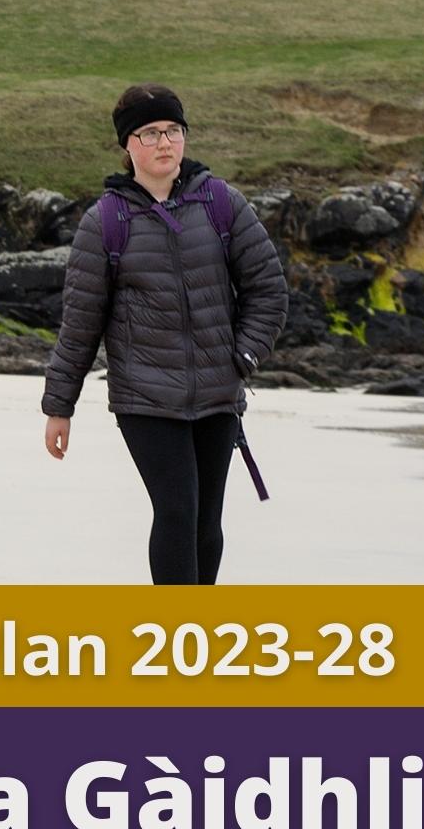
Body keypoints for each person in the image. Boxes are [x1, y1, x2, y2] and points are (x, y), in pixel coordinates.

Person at [41, 84, 288, 584]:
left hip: (219, 392)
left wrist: (244, 355)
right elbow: (81, 323)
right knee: (176, 511)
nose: (164, 143)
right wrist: (58, 406)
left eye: (173, 131)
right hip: (145, 399)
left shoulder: (222, 204)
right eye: (149, 133)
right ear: (127, 145)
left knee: (206, 522)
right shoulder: (105, 222)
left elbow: (269, 289)